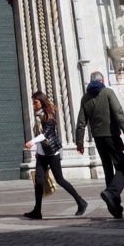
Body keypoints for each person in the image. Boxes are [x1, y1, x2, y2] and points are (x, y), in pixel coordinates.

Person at [76, 70, 124, 219]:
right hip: (111, 136)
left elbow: (81, 122)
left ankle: (116, 209)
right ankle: (111, 193)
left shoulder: (85, 98)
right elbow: (118, 112)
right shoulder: (108, 92)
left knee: (108, 170)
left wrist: (79, 142)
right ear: (103, 81)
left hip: (98, 138)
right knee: (123, 168)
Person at [24, 91, 87, 219]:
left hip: (52, 153)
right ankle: (37, 211)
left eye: (35, 102)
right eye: (33, 102)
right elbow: (40, 136)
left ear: (41, 102)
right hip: (42, 154)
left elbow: (45, 135)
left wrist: (32, 142)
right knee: (39, 181)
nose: (33, 105)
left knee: (60, 180)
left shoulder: (49, 117)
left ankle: (81, 202)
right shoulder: (38, 117)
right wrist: (37, 150)